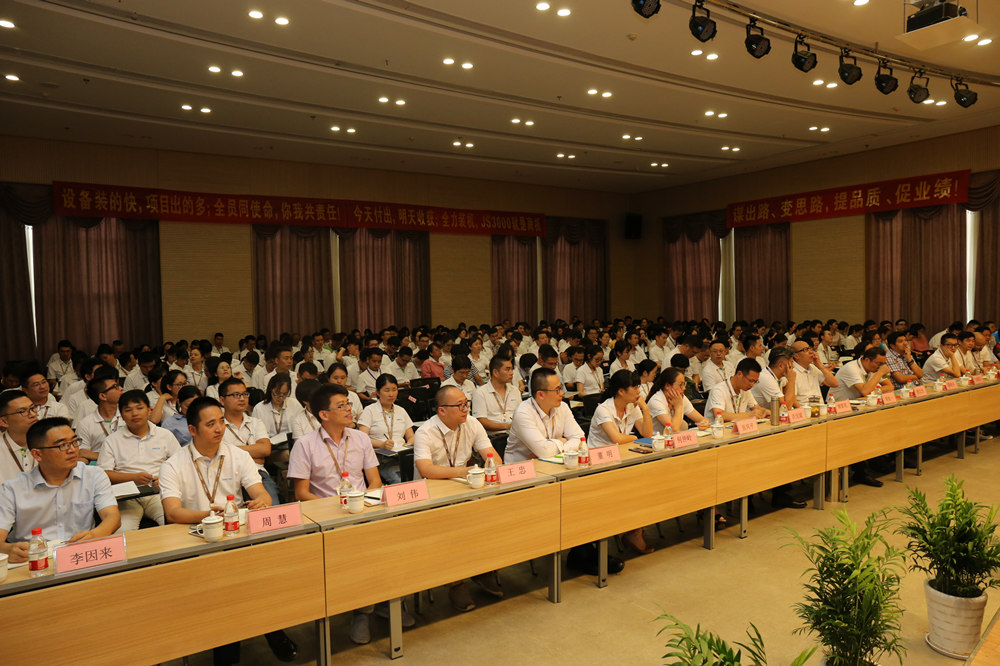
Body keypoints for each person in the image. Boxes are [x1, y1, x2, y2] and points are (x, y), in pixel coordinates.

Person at [158, 398, 293, 664]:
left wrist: (261, 501)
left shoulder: (237, 455)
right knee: (224, 591)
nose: (219, 428)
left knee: (262, 578)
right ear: (193, 430)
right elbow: (172, 512)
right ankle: (244, 643)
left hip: (235, 536)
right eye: (211, 424)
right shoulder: (173, 464)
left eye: (221, 421)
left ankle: (270, 630)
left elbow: (261, 494)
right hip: (195, 540)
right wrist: (210, 516)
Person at [287, 383, 391, 645]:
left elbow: (375, 481)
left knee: (390, 540)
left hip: (363, 510)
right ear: (324, 414)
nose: (349, 409)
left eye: (348, 404)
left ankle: (386, 601)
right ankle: (362, 612)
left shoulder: (360, 438)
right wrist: (337, 509)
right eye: (341, 406)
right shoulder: (305, 445)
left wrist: (362, 505)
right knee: (354, 552)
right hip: (326, 517)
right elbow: (301, 492)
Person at [413, 385, 504, 610]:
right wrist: (463, 471)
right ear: (442, 410)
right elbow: (425, 469)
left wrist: (491, 464)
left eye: (466, 404)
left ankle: (482, 570)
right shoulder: (425, 432)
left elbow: (492, 456)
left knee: (491, 517)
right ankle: (455, 583)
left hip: (463, 488)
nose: (466, 409)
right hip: (432, 494)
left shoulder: (471, 423)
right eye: (460, 405)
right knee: (451, 528)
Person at [0, 417, 121, 562]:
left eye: (74, 442)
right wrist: (7, 549)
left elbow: (112, 517)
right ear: (37, 454)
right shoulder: (13, 488)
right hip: (34, 559)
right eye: (62, 445)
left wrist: (94, 535)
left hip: (80, 555)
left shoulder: (93, 475)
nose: (72, 450)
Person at [97, 390, 181, 531]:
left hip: (158, 492)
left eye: (139, 408)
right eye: (128, 410)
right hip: (127, 497)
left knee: (174, 523)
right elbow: (103, 474)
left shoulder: (164, 435)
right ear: (121, 415)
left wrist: (163, 479)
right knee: (122, 532)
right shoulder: (112, 440)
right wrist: (133, 478)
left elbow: (180, 466)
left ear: (149, 410)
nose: (134, 413)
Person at [216, 377, 280, 505]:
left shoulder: (255, 422)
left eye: (245, 394)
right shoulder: (217, 426)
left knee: (271, 507)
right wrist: (254, 453)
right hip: (227, 475)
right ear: (222, 400)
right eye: (236, 395)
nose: (242, 398)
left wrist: (231, 450)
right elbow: (217, 454)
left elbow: (265, 450)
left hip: (258, 473)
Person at [506, 367, 584, 462]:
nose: (562, 393)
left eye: (561, 388)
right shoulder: (523, 413)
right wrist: (561, 441)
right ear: (541, 395)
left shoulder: (562, 407)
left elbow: (580, 439)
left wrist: (558, 448)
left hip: (554, 462)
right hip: (522, 467)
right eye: (557, 390)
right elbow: (544, 452)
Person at [357, 375, 414, 485]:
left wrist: (407, 445)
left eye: (394, 389)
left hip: (402, 457)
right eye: (387, 390)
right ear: (378, 392)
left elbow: (411, 436)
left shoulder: (401, 410)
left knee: (419, 477)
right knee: (400, 481)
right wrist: (382, 444)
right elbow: (362, 438)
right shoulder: (369, 410)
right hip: (381, 459)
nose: (391, 394)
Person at [704, 358, 770, 422]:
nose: (752, 385)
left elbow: (756, 408)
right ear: (739, 374)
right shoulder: (719, 390)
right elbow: (719, 415)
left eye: (755, 382)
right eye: (751, 381)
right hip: (718, 428)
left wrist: (765, 412)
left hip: (737, 427)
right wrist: (749, 415)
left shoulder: (745, 390)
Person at [76, 376, 123, 461]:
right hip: (99, 467)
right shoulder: (85, 424)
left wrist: (97, 455)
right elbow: (82, 453)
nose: (121, 388)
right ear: (103, 396)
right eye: (115, 387)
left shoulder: (127, 417)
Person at [472, 355, 522, 431]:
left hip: (515, 433)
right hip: (494, 435)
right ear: (495, 373)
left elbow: (521, 414)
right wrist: (508, 426)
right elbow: (481, 421)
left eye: (512, 369)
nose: (511, 373)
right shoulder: (480, 393)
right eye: (507, 369)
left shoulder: (515, 390)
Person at [0, 390, 38, 483]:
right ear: (4, 422)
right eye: (22, 411)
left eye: (32, 408)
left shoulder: (49, 442)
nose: (33, 414)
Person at [789, 339, 838, 407]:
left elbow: (834, 384)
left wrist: (819, 365)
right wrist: (807, 411)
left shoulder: (813, 367)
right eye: (806, 350)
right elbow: (793, 401)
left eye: (810, 348)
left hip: (820, 408)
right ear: (796, 356)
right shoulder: (791, 371)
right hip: (804, 409)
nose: (811, 352)